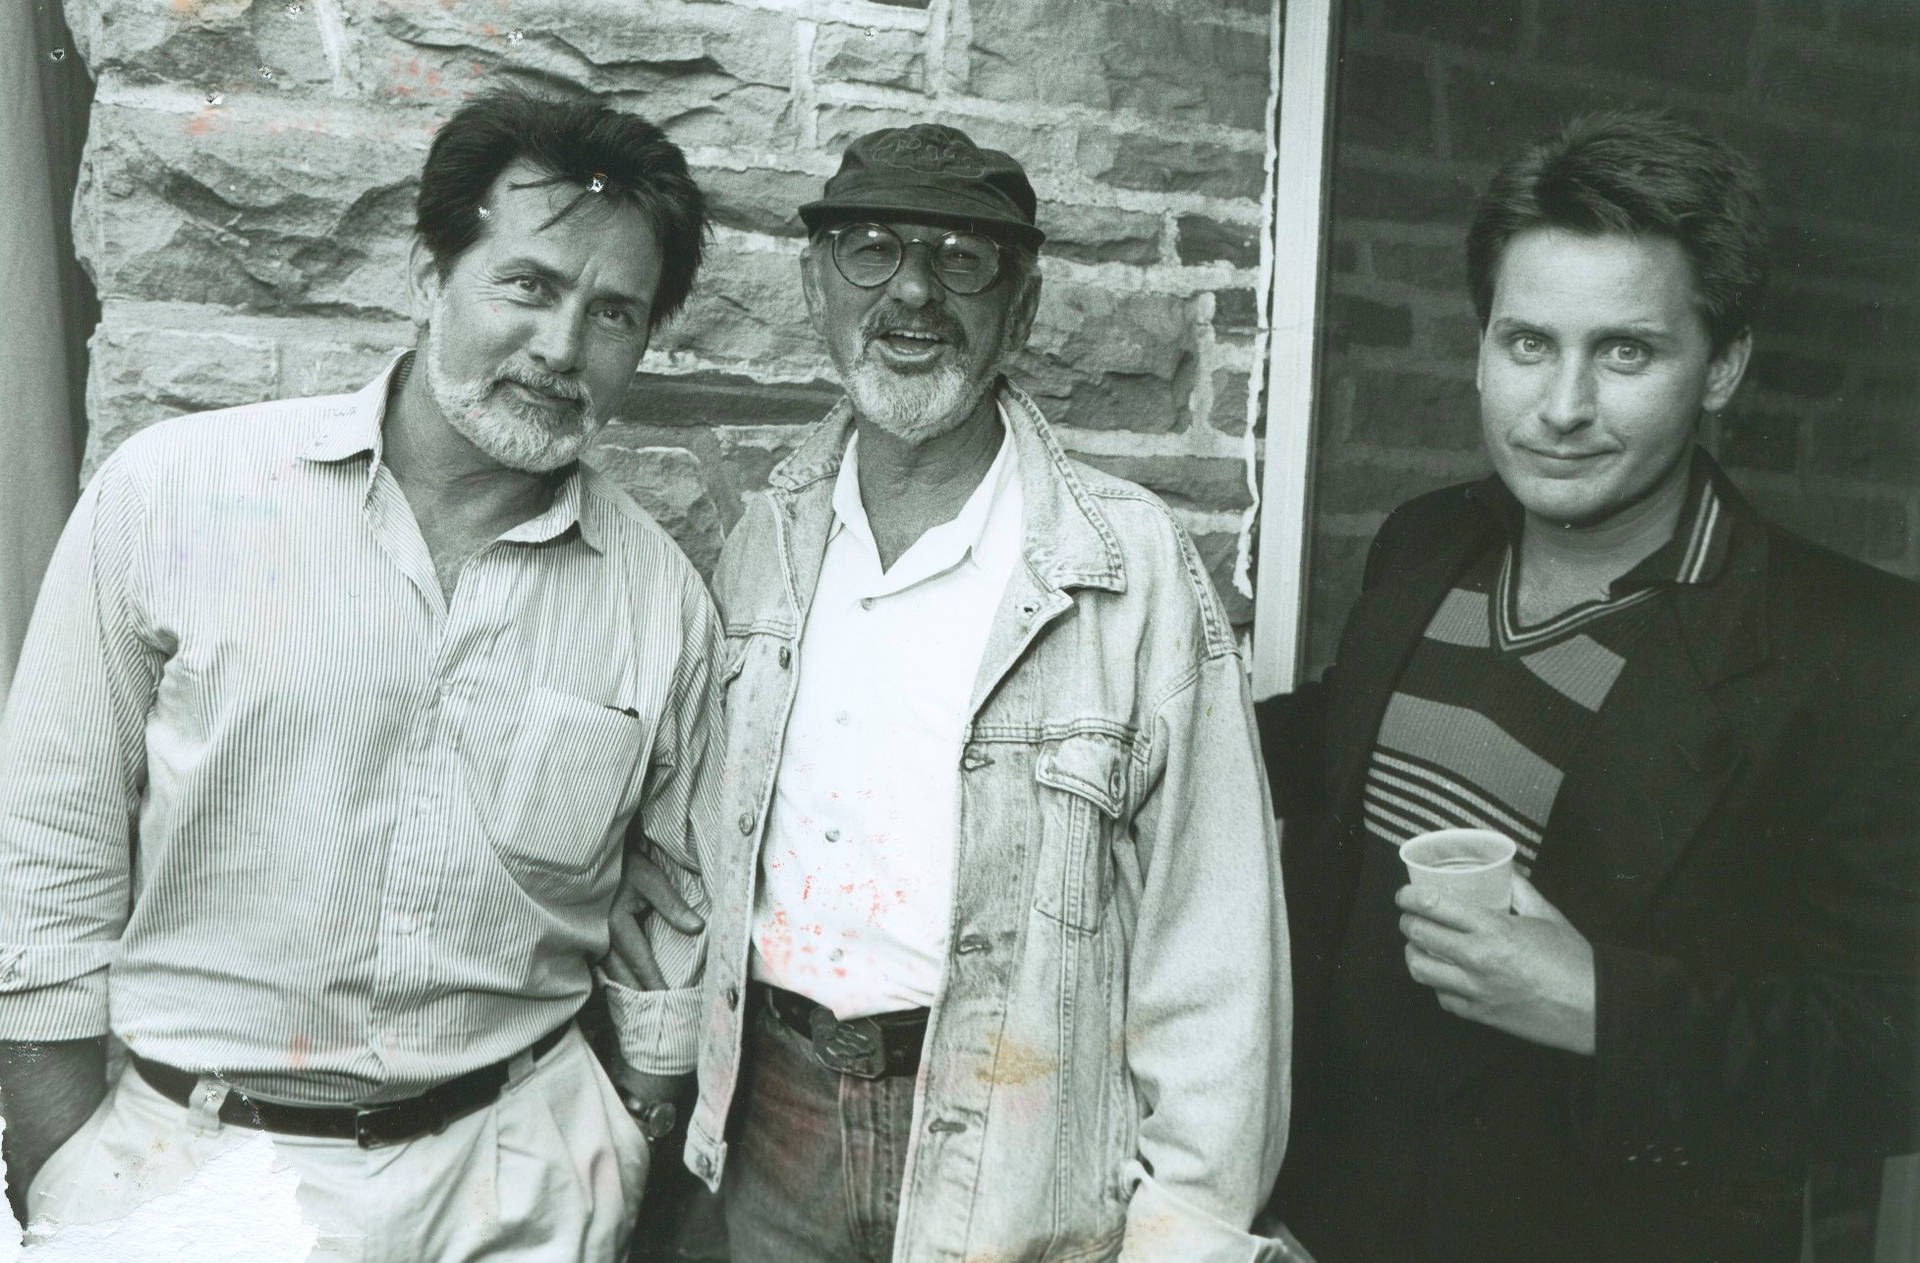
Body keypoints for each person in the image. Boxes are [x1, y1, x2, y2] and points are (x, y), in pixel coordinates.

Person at [0, 89, 721, 1261]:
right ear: (429, 273)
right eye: (529, 285)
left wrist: (628, 1136)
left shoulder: (660, 604)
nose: (560, 347)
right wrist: (65, 1169)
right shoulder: (173, 493)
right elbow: (43, 858)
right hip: (190, 1178)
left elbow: (671, 912)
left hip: (520, 1185)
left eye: (614, 314)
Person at [1259, 108, 1920, 1261]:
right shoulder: (1424, 545)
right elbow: (1341, 736)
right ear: (1479, 347)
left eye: (1626, 352)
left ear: (1722, 368)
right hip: (1329, 1218)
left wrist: (1607, 1009)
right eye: (1527, 344)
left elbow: (1891, 1053)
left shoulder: (1859, 656)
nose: (1561, 408)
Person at [626, 123, 1289, 1260]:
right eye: (873, 252)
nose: (915, 296)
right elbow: (695, 858)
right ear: (816, 289)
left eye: (963, 260)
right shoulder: (767, 540)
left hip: (1021, 1147)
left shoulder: (1122, 569)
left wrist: (1188, 1229)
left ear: (1022, 314)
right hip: (772, 1129)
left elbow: (1213, 947)